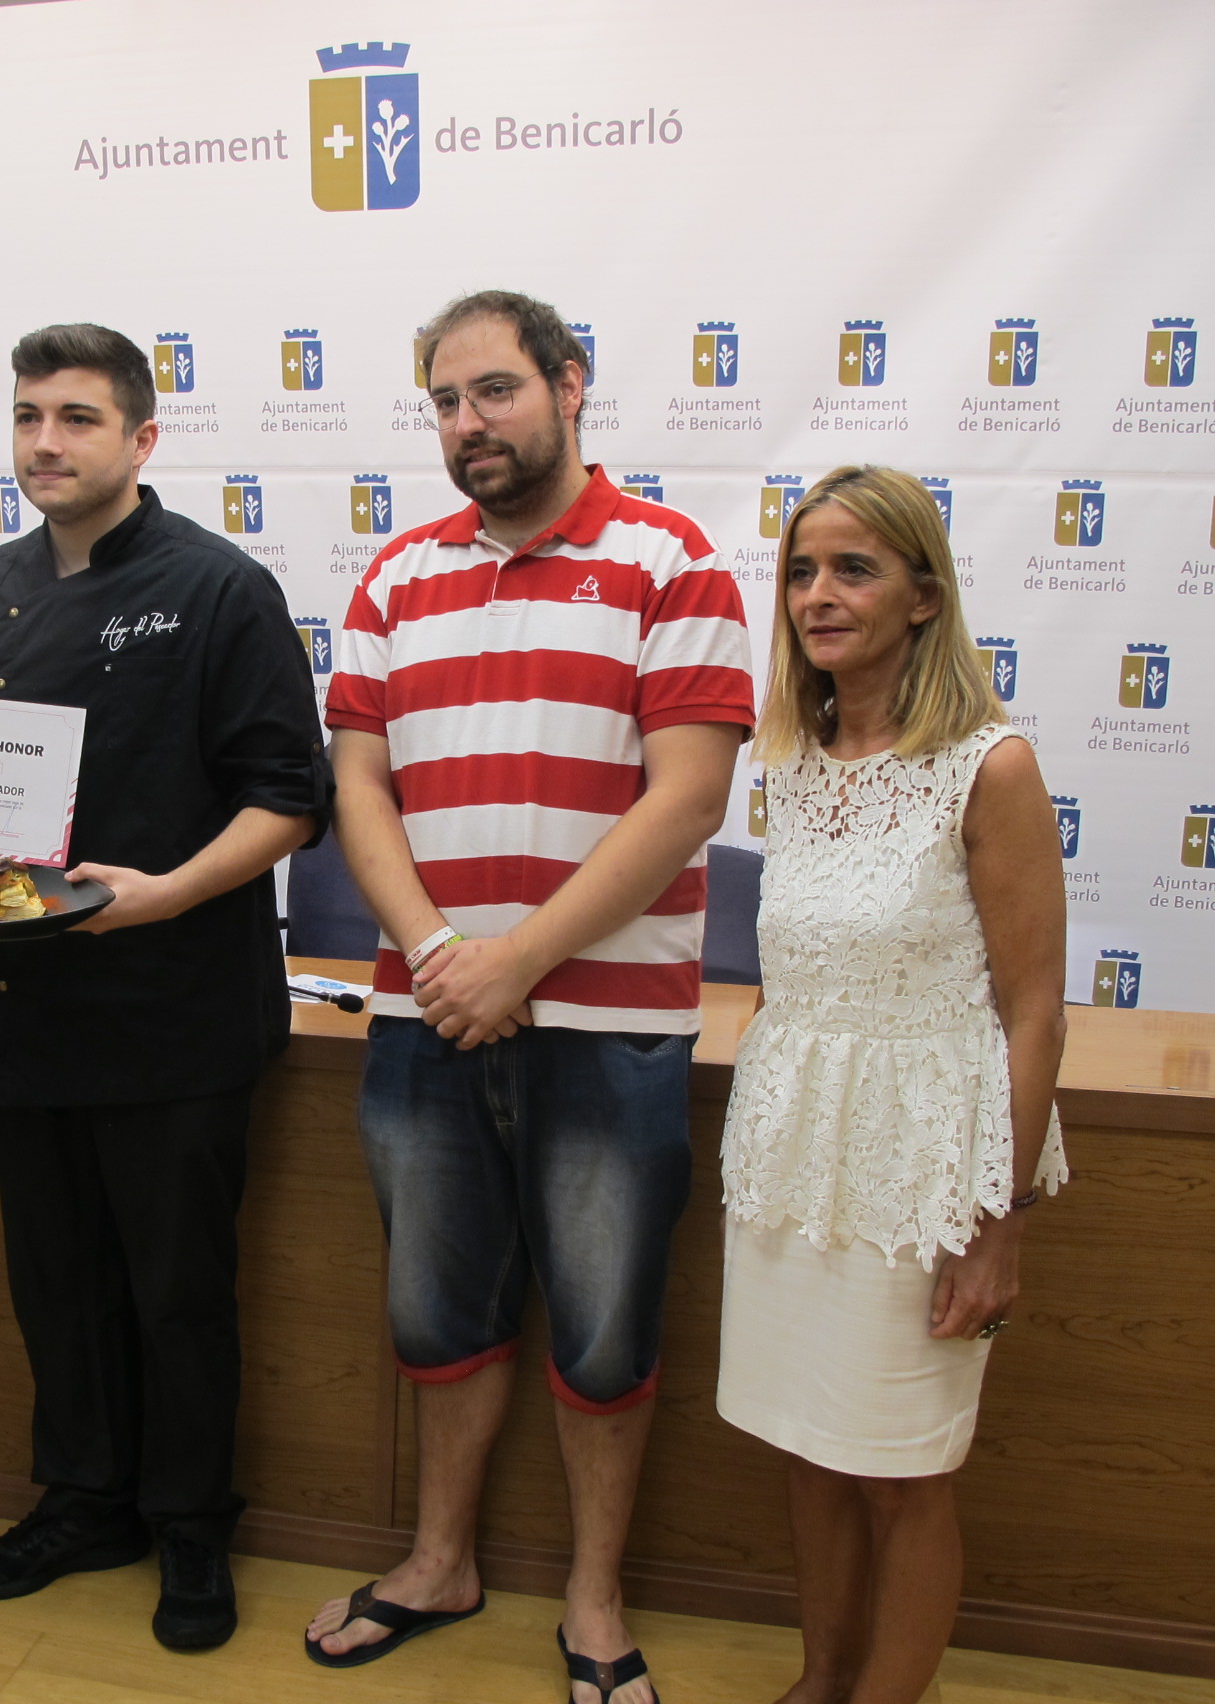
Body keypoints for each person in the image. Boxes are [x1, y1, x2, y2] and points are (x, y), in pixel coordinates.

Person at [306, 290, 753, 1704]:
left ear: (569, 384)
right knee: (436, 1312)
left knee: (607, 1329)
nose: (467, 424)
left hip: (610, 1029)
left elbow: (686, 800)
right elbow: (359, 790)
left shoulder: (673, 562)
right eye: (443, 402)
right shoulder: (393, 579)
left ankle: (596, 1597)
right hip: (426, 1014)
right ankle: (440, 1562)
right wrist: (443, 955)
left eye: (493, 390)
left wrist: (519, 961)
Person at [0, 324, 325, 1652]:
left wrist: (165, 893)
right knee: (57, 1283)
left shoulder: (220, 589)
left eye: (78, 418)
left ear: (143, 439)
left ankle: (192, 1524)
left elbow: (287, 799)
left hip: (177, 1010)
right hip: (29, 1007)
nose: (46, 442)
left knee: (177, 1292)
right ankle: (86, 1500)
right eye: (28, 416)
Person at [716, 464, 1067, 1704]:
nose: (817, 594)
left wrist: (997, 1222)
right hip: (794, 1164)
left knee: (902, 1469)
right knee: (810, 1448)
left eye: (853, 569)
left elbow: (1033, 1012)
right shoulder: (796, 759)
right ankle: (821, 1682)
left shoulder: (990, 767)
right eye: (801, 571)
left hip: (925, 1173)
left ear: (924, 595)